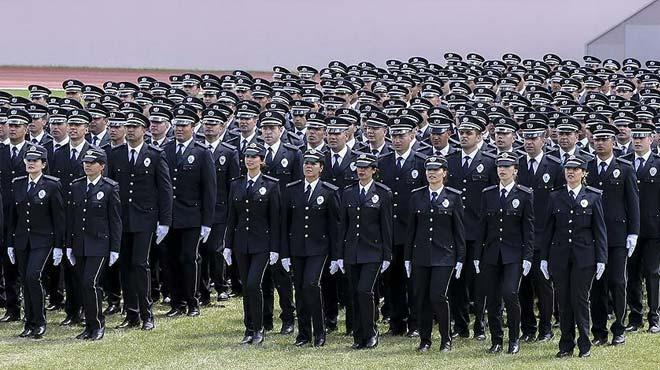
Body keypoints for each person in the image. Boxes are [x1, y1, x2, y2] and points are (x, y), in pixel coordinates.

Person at [108, 111, 173, 331]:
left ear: (144, 130)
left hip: (145, 219)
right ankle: (132, 313)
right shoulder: (115, 154)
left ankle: (147, 314)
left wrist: (164, 221)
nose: (131, 130)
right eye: (128, 127)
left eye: (135, 127)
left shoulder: (155, 154)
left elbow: (165, 189)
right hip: (122, 220)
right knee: (124, 266)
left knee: (140, 264)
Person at [541, 155, 607, 358]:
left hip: (584, 256)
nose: (570, 172)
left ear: (584, 173)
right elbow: (548, 230)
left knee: (580, 300)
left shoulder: (594, 196)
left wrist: (601, 258)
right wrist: (544, 258)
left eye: (575, 169)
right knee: (564, 301)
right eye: (568, 169)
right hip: (560, 256)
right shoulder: (555, 197)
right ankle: (565, 345)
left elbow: (599, 231)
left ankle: (585, 345)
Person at [474, 152, 535, 354]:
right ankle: (497, 339)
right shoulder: (488, 193)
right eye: (500, 166)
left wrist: (527, 256)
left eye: (507, 166)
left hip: (513, 254)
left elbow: (528, 229)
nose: (502, 170)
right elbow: (482, 226)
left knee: (510, 293)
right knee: (492, 299)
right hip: (491, 253)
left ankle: (514, 339)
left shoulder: (524, 194)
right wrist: (476, 254)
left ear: (515, 170)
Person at [586, 122, 639, 346]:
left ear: (613, 142)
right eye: (596, 139)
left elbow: (633, 202)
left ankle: (619, 327)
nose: (599, 143)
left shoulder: (625, 168)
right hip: (592, 237)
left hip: (617, 235)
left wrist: (633, 233)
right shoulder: (586, 166)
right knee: (596, 285)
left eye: (604, 139)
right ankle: (599, 331)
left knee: (617, 281)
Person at [405, 155, 465, 352]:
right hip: (421, 255)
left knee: (438, 296)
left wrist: (460, 258)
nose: (432, 173)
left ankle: (446, 339)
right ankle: (425, 339)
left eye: (436, 170)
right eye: (429, 170)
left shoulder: (453, 197)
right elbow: (411, 230)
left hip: (444, 255)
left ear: (444, 173)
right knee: (421, 297)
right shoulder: (416, 196)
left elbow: (459, 231)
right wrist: (407, 257)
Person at [281, 149, 340, 347]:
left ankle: (320, 331)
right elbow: (285, 224)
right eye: (306, 162)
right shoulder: (292, 189)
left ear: (321, 168)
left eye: (313, 163)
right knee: (299, 288)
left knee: (311, 285)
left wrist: (336, 256)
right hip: (297, 247)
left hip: (319, 248)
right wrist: (284, 253)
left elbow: (335, 226)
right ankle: (304, 333)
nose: (308, 166)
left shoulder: (329, 191)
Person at [446, 115, 497, 340]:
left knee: (480, 281)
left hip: (479, 231)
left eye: (469, 133)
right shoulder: (450, 160)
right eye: (462, 132)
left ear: (479, 136)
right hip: (455, 230)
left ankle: (480, 325)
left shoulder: (490, 161)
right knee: (457, 279)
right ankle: (461, 324)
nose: (464, 136)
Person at [224, 142, 281, 345]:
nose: (249, 160)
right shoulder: (236, 184)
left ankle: (258, 328)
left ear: (262, 161)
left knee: (253, 284)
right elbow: (232, 217)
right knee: (246, 287)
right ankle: (249, 328)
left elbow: (275, 220)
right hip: (241, 243)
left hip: (262, 244)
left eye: (254, 157)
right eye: (247, 156)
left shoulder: (271, 185)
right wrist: (228, 245)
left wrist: (275, 248)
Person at [162, 108, 216, 318]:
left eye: (184, 125)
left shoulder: (202, 152)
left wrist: (207, 222)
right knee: (171, 260)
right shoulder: (166, 150)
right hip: (170, 217)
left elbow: (209, 191)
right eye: (177, 125)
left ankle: (193, 301)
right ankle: (177, 303)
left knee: (189, 258)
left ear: (193, 127)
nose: (179, 129)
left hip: (192, 217)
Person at [336, 153, 392, 349]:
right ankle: (358, 336)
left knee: (365, 291)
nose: (361, 170)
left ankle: (371, 332)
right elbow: (343, 225)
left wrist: (387, 254)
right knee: (354, 293)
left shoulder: (383, 193)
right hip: (352, 251)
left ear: (374, 171)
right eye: (359, 167)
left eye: (366, 167)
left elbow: (386, 226)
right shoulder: (349, 192)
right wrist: (339, 255)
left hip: (373, 251)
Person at [7, 145, 65, 339]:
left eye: (35, 160)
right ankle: (29, 322)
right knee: (24, 280)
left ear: (43, 164)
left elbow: (58, 218)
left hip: (43, 239)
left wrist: (58, 245)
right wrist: (10, 242)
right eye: (28, 160)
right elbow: (13, 217)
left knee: (33, 276)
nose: (31, 163)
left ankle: (39, 321)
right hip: (23, 239)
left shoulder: (52, 185)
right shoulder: (18, 183)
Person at [517, 115, 564, 342]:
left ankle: (546, 327)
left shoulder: (554, 166)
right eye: (526, 137)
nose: (529, 142)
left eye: (534, 137)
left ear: (543, 139)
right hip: (519, 236)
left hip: (544, 235)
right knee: (523, 285)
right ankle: (528, 328)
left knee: (544, 285)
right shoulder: (516, 164)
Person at [378, 116, 427, 337]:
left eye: (401, 135)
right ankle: (396, 322)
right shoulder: (383, 161)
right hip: (390, 230)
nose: (397, 140)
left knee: (414, 281)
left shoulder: (422, 161)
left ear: (412, 135)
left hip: (413, 231)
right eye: (394, 136)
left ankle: (416, 323)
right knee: (392, 279)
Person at [67, 148, 122, 340]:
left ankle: (98, 325)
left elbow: (115, 220)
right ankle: (89, 326)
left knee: (90, 282)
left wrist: (115, 247)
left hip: (100, 243)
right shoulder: (76, 186)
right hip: (80, 243)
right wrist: (68, 245)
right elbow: (71, 218)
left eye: (92, 163)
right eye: (85, 162)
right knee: (84, 285)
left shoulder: (109, 187)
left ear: (102, 166)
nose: (87, 166)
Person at [621, 121, 660, 334]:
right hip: (630, 229)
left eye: (642, 137)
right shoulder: (624, 162)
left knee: (653, 272)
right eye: (635, 136)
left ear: (651, 138)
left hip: (653, 229)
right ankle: (635, 317)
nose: (637, 140)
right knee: (632, 273)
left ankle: (654, 316)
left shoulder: (658, 163)